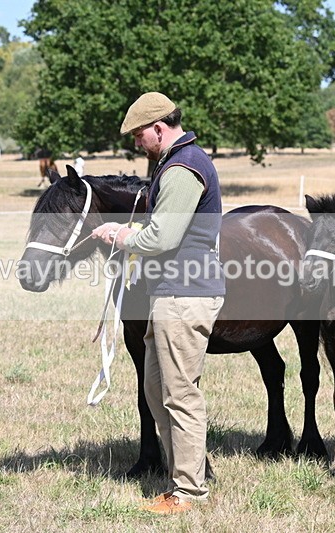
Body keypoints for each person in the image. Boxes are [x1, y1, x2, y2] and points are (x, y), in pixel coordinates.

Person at [91, 92, 225, 515]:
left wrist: (119, 234)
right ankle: (182, 474)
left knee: (179, 393)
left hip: (185, 293)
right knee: (156, 387)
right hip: (170, 291)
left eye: (138, 135)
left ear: (159, 128)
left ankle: (189, 492)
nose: (135, 144)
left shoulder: (184, 168)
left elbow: (162, 238)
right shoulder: (174, 163)